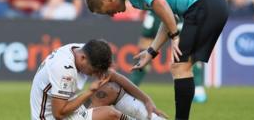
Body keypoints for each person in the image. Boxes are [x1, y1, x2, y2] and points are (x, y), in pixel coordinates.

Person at [84, 0, 229, 120]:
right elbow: (169, 18)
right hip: (205, 3)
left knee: (180, 67)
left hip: (203, 3)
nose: (111, 15)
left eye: (106, 11)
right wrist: (151, 51)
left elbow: (159, 2)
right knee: (181, 66)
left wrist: (175, 36)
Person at [30, 39, 167, 120]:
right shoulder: (64, 69)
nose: (95, 74)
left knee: (111, 89)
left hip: (67, 111)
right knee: (110, 114)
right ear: (83, 59)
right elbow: (59, 113)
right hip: (51, 117)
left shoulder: (83, 51)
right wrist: (89, 92)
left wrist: (146, 99)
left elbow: (113, 76)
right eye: (94, 70)